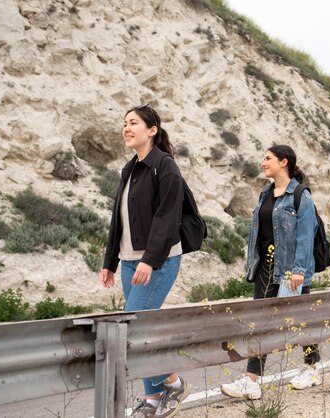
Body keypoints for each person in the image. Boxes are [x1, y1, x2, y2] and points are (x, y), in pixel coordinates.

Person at [100, 104, 192, 418]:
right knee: (141, 329)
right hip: (129, 262)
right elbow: (119, 219)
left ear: (152, 130)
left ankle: (174, 382)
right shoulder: (131, 168)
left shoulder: (164, 166)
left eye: (134, 123)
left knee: (132, 332)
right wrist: (110, 259)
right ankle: (153, 400)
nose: (127, 128)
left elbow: (168, 217)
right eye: (124, 123)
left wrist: (150, 260)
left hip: (158, 261)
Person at [220, 145, 321, 400]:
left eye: (268, 158)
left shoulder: (300, 195)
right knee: (259, 322)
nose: (263, 162)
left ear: (283, 162)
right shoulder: (265, 193)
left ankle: (312, 368)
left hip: (291, 269)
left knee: (300, 320)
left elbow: (306, 236)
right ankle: (252, 380)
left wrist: (298, 269)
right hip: (266, 266)